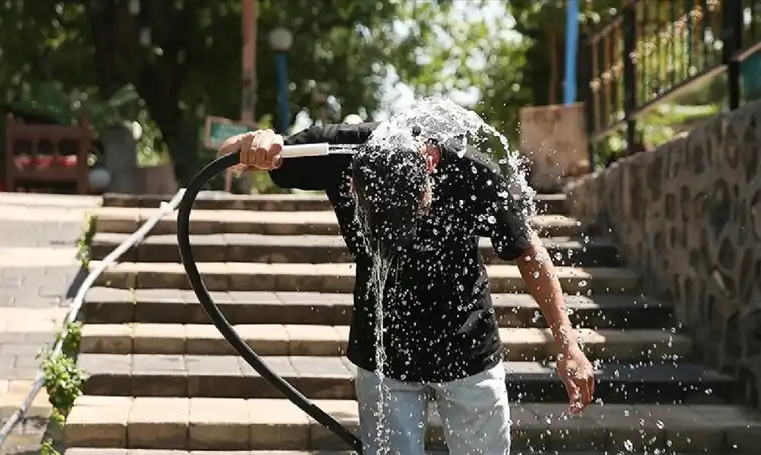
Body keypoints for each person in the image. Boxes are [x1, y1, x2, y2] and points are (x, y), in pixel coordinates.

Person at [219, 122, 595, 455]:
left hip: (467, 351)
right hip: (383, 355)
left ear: (430, 165)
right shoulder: (337, 151)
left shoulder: (473, 170)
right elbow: (231, 153)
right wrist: (254, 144)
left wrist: (569, 346)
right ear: (353, 181)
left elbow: (529, 253)